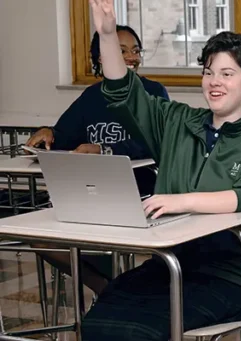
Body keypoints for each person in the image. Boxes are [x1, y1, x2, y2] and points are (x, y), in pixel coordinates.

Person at [81, 1, 241, 339]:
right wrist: (106, 33)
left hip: (239, 276)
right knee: (98, 322)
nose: (214, 82)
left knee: (138, 330)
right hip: (174, 263)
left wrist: (182, 201)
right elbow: (125, 91)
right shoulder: (178, 121)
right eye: (208, 73)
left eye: (227, 74)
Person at [28, 24, 167, 296]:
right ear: (101, 57)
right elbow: (65, 135)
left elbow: (154, 141)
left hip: (141, 194)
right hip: (90, 195)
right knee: (41, 240)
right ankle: (106, 289)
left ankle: (120, 293)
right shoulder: (91, 96)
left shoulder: (153, 91)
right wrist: (48, 134)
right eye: (122, 50)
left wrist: (104, 149)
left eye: (136, 50)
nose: (132, 57)